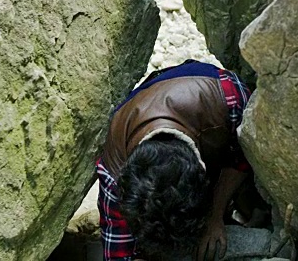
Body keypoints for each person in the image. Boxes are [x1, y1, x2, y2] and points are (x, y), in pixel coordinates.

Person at [97, 60, 257, 260]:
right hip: (162, 104)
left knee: (252, 198)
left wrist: (215, 214)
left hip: (204, 100)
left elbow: (242, 156)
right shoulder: (114, 169)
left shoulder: (230, 99)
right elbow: (117, 251)